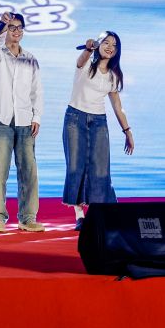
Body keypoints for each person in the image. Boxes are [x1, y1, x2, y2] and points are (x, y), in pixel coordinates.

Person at [63, 31, 135, 230]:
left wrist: (127, 131)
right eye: (106, 42)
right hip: (75, 118)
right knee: (76, 166)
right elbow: (81, 60)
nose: (110, 47)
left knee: (101, 168)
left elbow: (118, 107)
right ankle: (79, 215)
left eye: (114, 45)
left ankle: (100, 212)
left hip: (98, 122)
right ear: (98, 44)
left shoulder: (113, 76)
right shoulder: (86, 64)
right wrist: (88, 49)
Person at [0, 12, 45, 233]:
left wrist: (37, 117)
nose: (16, 31)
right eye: (12, 27)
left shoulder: (31, 58)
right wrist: (1, 25)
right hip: (1, 119)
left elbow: (37, 91)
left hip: (25, 120)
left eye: (20, 27)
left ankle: (28, 218)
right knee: (0, 171)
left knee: (29, 170)